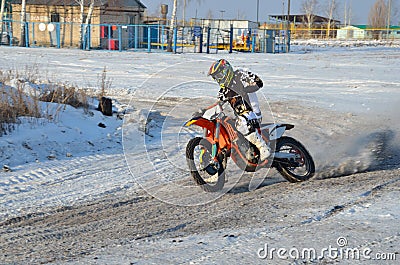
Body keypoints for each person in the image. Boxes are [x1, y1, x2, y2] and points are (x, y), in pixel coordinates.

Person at [208, 59, 271, 161]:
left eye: (219, 76)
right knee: (229, 125)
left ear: (226, 71)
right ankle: (246, 150)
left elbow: (259, 82)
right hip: (241, 116)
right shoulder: (224, 91)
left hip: (252, 112)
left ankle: (262, 147)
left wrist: (245, 89)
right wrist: (203, 111)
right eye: (216, 78)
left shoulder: (240, 75)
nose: (219, 80)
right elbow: (218, 104)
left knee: (240, 123)